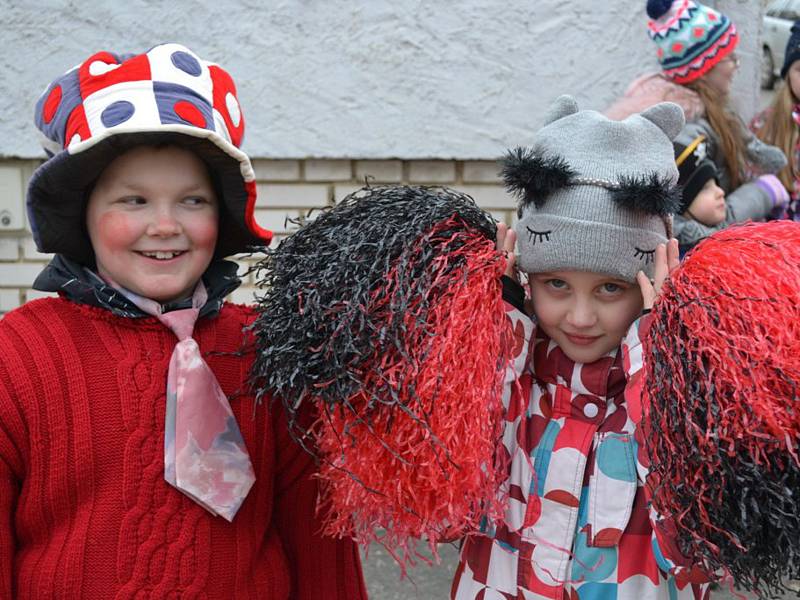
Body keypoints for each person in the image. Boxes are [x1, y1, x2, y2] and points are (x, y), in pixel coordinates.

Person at [0, 44, 366, 599]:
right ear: (82, 215)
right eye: (134, 200)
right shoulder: (16, 357)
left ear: (223, 213)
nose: (166, 225)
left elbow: (319, 543)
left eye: (192, 201)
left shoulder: (273, 352)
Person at [451, 96, 712, 599]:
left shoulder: (681, 394)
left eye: (610, 288)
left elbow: (696, 553)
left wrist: (657, 357)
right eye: (556, 284)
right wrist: (497, 329)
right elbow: (444, 511)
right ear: (525, 275)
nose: (580, 317)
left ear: (655, 282)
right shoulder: (509, 377)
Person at [606, 0, 788, 213]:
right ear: (703, 67)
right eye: (729, 57)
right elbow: (703, 224)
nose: (736, 65)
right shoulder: (688, 132)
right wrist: (764, 191)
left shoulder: (707, 113)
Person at [672, 132, 788, 256]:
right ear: (681, 205)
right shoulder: (682, 257)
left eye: (716, 184)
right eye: (705, 188)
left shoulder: (736, 233)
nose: (720, 192)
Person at [751, 21, 800, 221]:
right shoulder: (767, 123)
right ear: (787, 74)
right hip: (780, 233)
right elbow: (754, 185)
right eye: (799, 69)